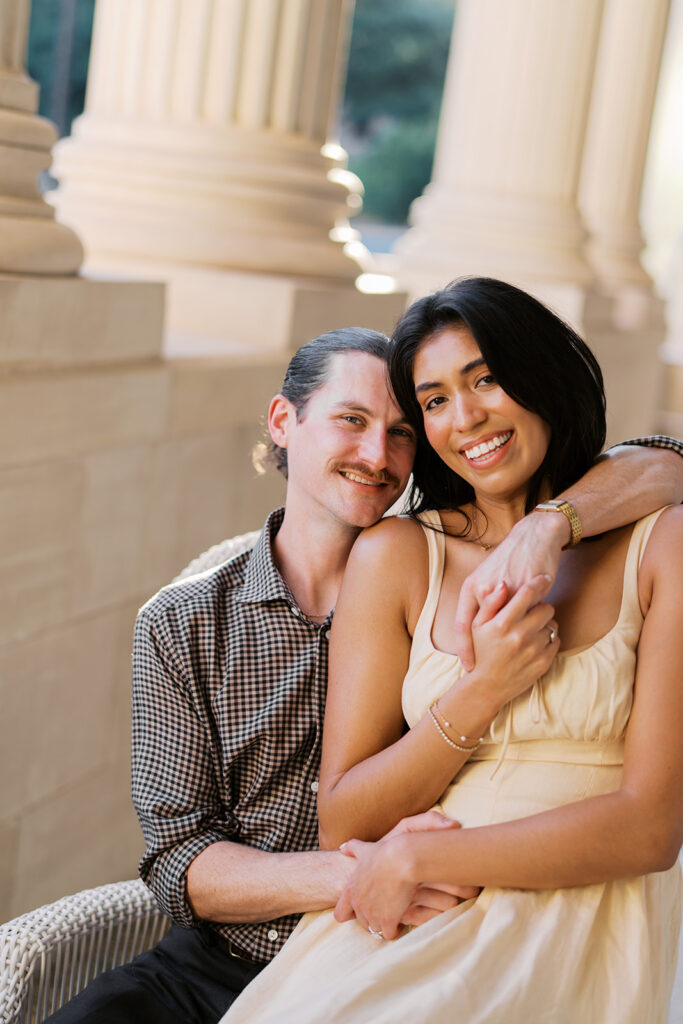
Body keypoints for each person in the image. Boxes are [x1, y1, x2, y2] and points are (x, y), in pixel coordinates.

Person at [45, 326, 683, 1024]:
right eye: (351, 420)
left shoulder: (436, 570)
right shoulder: (184, 621)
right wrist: (362, 873)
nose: (376, 455)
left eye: (402, 432)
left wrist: (546, 525)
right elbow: (178, 858)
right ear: (283, 421)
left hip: (406, 942)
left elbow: (665, 459)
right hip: (225, 960)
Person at [220, 279, 683, 1024]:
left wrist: (547, 525)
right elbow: (344, 821)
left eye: (485, 380)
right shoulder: (399, 554)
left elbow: (650, 829)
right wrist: (483, 688)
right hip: (406, 916)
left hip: (577, 923)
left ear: (541, 375)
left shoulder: (660, 545)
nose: (464, 419)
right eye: (434, 401)